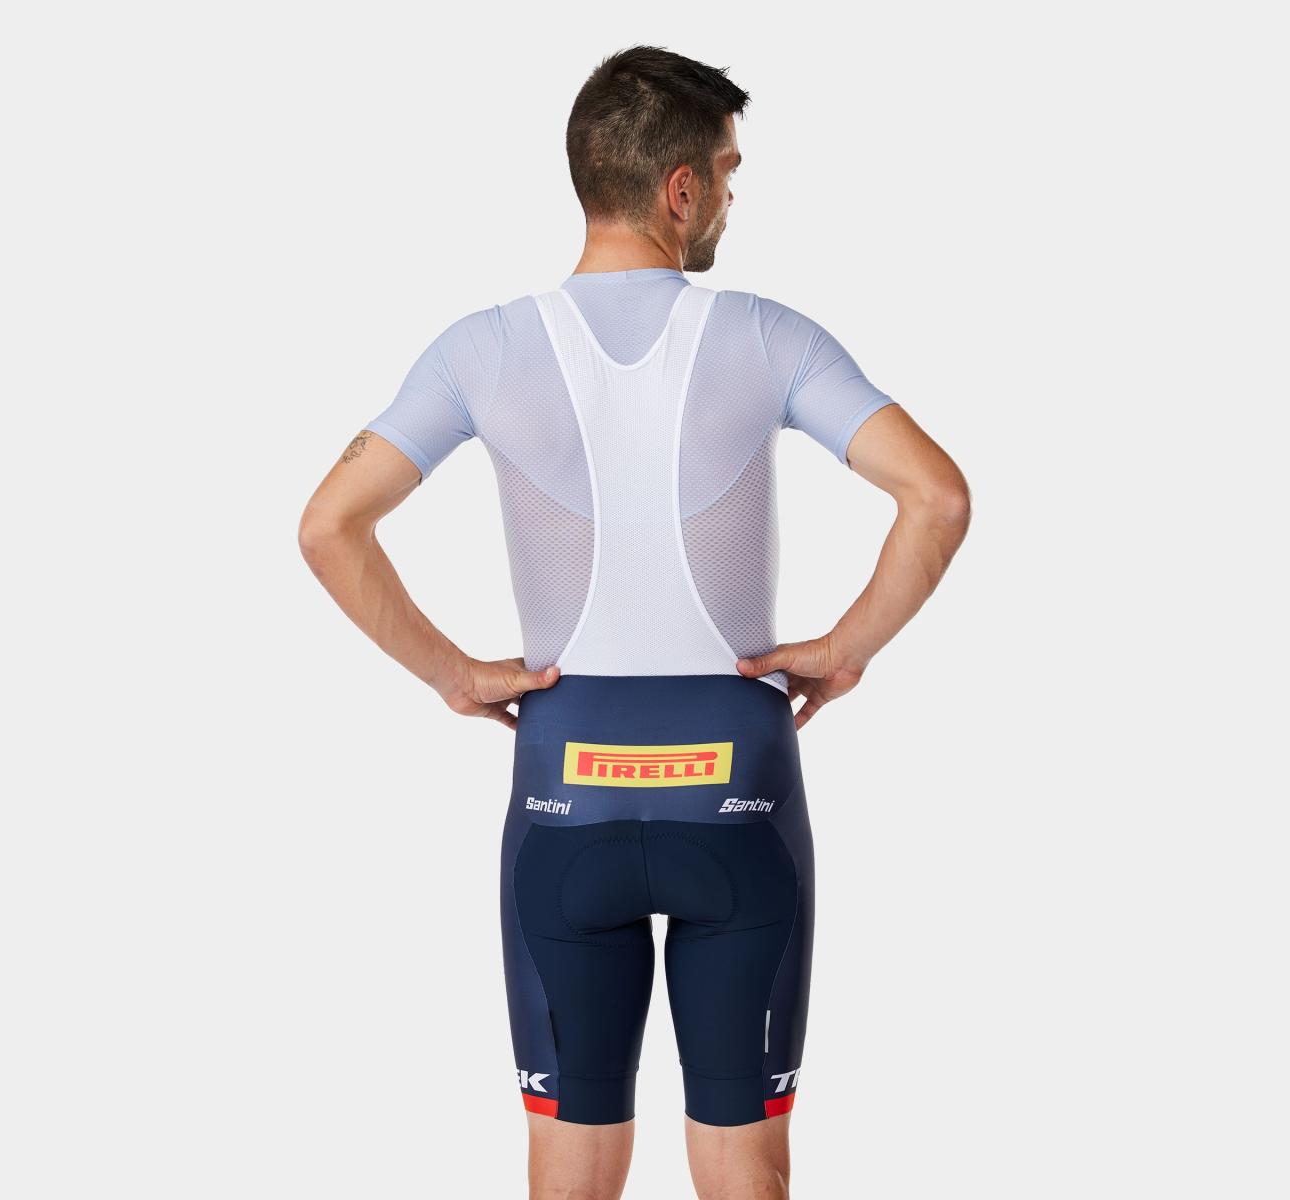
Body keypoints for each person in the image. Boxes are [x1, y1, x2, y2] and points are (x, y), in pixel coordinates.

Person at [299, 45, 970, 1200]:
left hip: (565, 781)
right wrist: (845, 649)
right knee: (744, 1168)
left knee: (568, 1173)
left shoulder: (481, 348)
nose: (732, 199)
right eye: (728, 174)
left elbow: (328, 527)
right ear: (679, 189)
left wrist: (453, 673)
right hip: (739, 784)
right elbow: (937, 498)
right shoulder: (768, 336)